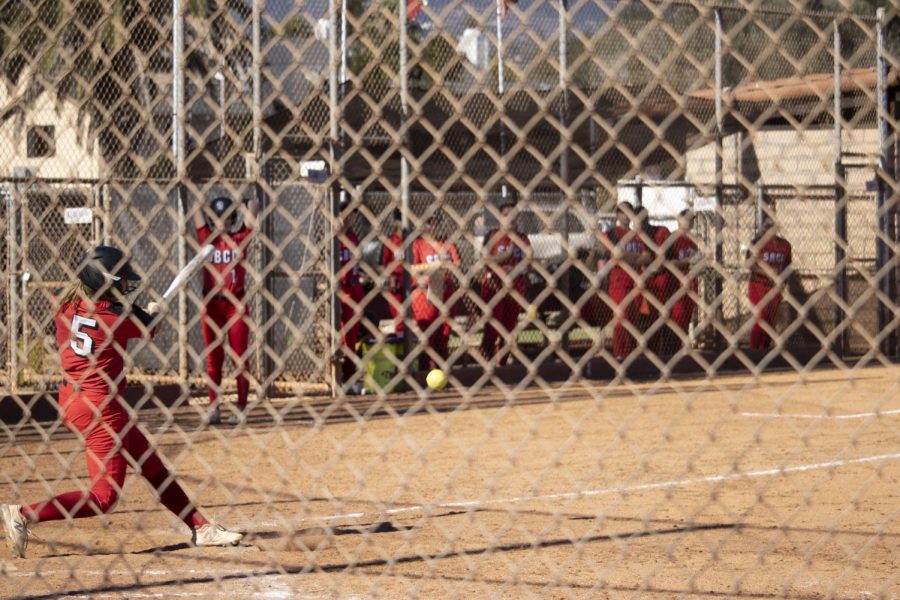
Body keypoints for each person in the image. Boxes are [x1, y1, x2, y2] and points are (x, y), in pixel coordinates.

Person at [0, 246, 243, 559]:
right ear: (104, 283)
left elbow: (125, 316)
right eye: (119, 282)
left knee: (150, 464)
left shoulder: (65, 303)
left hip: (75, 398)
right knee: (104, 497)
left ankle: (201, 527)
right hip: (100, 410)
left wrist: (146, 312)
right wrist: (156, 311)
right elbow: (147, 325)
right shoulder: (117, 317)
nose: (125, 287)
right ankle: (23, 513)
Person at [193, 195, 259, 425]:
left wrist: (244, 202)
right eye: (218, 218)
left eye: (227, 217)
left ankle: (240, 407)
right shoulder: (206, 239)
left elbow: (253, 211)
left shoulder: (239, 238)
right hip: (211, 304)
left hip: (236, 304)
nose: (223, 223)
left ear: (233, 219)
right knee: (214, 358)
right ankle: (213, 408)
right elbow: (196, 211)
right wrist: (204, 205)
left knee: (239, 358)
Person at [480, 195, 532, 366]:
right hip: (494, 287)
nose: (510, 218)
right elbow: (485, 260)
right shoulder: (492, 235)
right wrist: (506, 255)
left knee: (509, 329)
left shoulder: (523, 239)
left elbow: (529, 263)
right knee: (492, 327)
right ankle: (486, 362)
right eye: (506, 215)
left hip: (515, 288)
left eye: (513, 214)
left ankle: (501, 363)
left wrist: (514, 269)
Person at [598, 202, 650, 361]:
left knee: (633, 321)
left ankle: (630, 355)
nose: (628, 216)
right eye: (624, 213)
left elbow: (647, 256)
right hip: (619, 283)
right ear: (618, 215)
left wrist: (629, 258)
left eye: (630, 213)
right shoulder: (612, 233)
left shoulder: (636, 235)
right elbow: (616, 255)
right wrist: (635, 258)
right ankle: (619, 355)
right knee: (621, 320)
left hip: (635, 284)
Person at [410, 211, 461, 370]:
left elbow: (457, 265)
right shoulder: (418, 244)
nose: (434, 227)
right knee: (427, 333)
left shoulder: (448, 244)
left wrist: (445, 267)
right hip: (426, 292)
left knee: (445, 331)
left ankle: (441, 369)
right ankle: (425, 369)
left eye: (437, 223)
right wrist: (433, 267)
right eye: (430, 224)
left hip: (446, 290)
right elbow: (412, 268)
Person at [747, 211, 792, 350]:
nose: (769, 229)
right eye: (766, 226)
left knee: (770, 320)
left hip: (775, 287)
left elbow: (787, 266)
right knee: (760, 317)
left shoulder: (785, 245)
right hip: (758, 284)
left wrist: (782, 281)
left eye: (772, 226)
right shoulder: (756, 243)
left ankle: (764, 350)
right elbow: (750, 265)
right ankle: (755, 352)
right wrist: (767, 272)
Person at [662, 209, 700, 354]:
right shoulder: (672, 239)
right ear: (679, 221)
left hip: (690, 284)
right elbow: (667, 262)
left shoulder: (692, 241)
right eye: (688, 219)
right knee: (677, 318)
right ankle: (671, 352)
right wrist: (685, 262)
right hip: (676, 284)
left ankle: (680, 351)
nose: (691, 222)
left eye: (692, 219)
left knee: (686, 319)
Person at [338, 199, 366, 394]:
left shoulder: (353, 237)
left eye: (351, 215)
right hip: (341, 291)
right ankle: (341, 379)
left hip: (355, 290)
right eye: (345, 214)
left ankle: (349, 380)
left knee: (352, 338)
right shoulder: (331, 239)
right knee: (342, 338)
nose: (348, 218)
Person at [635, 207, 671, 355]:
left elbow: (664, 259)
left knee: (659, 318)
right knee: (641, 318)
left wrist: (650, 269)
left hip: (659, 279)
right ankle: (643, 351)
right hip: (642, 282)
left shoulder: (661, 232)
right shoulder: (634, 236)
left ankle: (659, 352)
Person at [381, 209, 405, 335]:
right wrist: (389, 278)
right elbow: (383, 265)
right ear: (396, 222)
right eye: (401, 220)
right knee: (399, 315)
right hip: (396, 281)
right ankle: (402, 342)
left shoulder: (412, 240)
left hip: (411, 281)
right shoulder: (391, 241)